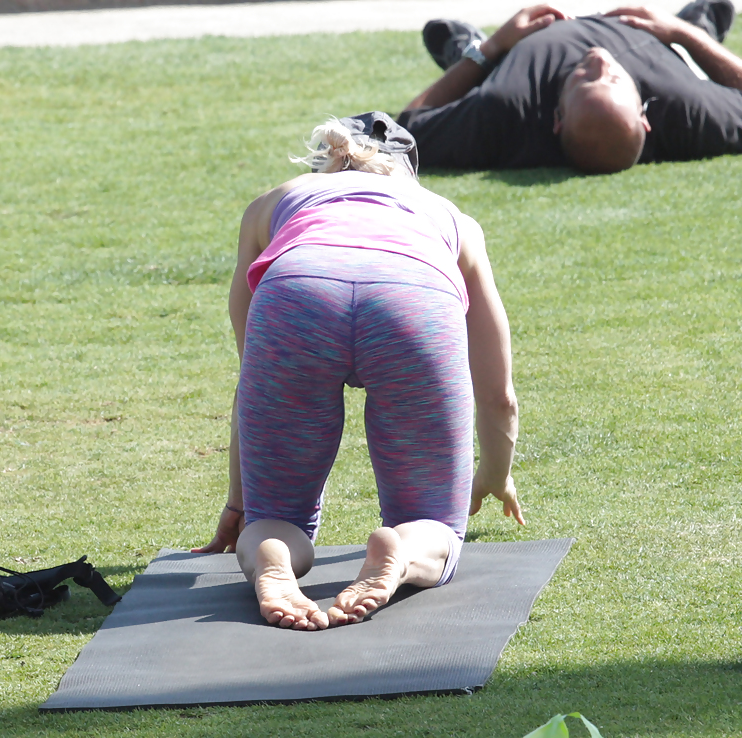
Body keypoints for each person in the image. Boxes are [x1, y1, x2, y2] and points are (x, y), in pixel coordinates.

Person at [192, 112, 523, 631]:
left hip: (298, 289)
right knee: (433, 523)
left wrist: (243, 504)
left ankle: (273, 554)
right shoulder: (449, 216)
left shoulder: (276, 201)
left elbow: (250, 380)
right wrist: (497, 472)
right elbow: (498, 393)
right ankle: (404, 545)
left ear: (330, 159)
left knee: (274, 516)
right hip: (412, 294)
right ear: (409, 172)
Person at [396, 1, 742, 173]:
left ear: (557, 118)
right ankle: (699, 27)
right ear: (644, 115)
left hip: (518, 49)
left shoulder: (505, 107)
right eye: (613, 79)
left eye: (585, 79)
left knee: (477, 67)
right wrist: (683, 35)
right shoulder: (686, 110)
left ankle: (466, 49)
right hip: (654, 42)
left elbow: (405, 128)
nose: (600, 61)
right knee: (695, 41)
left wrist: (492, 48)